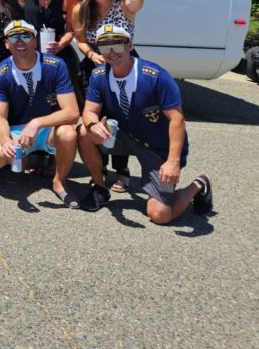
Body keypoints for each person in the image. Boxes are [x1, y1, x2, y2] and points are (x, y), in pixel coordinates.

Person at [76, 25, 213, 223]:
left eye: (117, 44)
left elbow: (177, 120)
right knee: (82, 132)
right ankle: (100, 188)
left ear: (130, 45)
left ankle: (199, 184)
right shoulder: (99, 76)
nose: (111, 52)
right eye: (105, 47)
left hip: (158, 148)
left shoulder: (155, 76)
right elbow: (89, 111)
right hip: (125, 136)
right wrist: (92, 125)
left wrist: (173, 161)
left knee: (160, 215)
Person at [72, 0, 144, 192]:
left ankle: (122, 169)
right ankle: (100, 169)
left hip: (125, 68)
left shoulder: (124, 5)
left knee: (121, 117)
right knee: (95, 120)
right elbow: (81, 40)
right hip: (96, 69)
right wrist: (92, 55)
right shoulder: (82, 9)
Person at [0, 20, 81, 207]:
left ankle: (59, 182)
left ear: (35, 41)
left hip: (47, 129)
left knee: (68, 134)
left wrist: (36, 123)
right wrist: (6, 140)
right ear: (7, 44)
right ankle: (25, 157)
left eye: (25, 35)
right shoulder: (1, 71)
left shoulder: (56, 65)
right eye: (13, 37)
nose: (19, 41)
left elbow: (72, 113)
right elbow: (0, 116)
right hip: (17, 131)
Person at [18, 0, 81, 102]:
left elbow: (70, 30)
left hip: (56, 55)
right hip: (28, 53)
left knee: (56, 102)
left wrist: (60, 44)